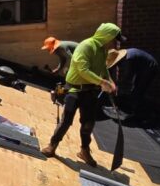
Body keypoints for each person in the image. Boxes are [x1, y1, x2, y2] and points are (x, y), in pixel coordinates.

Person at [41, 23, 121, 166]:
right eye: (112, 38)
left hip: (90, 91)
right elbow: (82, 69)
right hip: (75, 90)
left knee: (88, 123)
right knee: (66, 121)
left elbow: (103, 68)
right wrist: (102, 82)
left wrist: (110, 82)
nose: (112, 41)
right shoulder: (86, 46)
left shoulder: (102, 50)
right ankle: (52, 145)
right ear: (106, 35)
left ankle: (84, 151)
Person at [106, 47, 158, 115]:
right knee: (134, 88)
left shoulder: (128, 59)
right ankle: (132, 109)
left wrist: (118, 86)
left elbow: (127, 76)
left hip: (150, 67)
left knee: (139, 89)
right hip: (143, 67)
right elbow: (119, 73)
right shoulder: (123, 57)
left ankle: (136, 113)